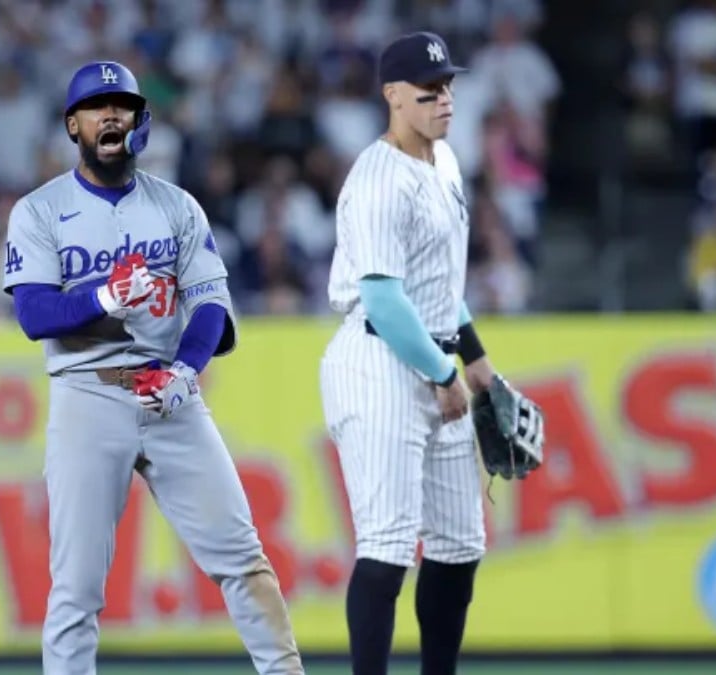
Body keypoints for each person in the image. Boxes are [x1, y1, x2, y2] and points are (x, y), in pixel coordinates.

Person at [2, 60, 305, 675]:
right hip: (87, 394)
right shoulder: (38, 210)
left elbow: (212, 304)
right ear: (73, 125)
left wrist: (187, 372)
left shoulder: (176, 205)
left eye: (123, 105)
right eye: (97, 106)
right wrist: (104, 299)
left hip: (171, 394)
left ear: (141, 121)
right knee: (76, 590)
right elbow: (34, 313)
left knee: (244, 559)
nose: (111, 114)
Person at [319, 32, 504, 675]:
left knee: (458, 544)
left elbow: (437, 285)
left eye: (449, 85)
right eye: (429, 91)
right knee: (389, 545)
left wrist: (474, 359)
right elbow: (385, 300)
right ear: (393, 97)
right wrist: (444, 372)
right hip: (377, 362)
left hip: (435, 356)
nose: (444, 98)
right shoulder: (376, 181)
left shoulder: (444, 160)